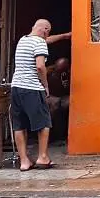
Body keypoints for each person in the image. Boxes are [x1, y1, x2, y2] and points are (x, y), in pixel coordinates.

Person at [9, 19, 71, 172]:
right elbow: (40, 66)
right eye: (47, 32)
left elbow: (45, 40)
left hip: (16, 87)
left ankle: (24, 161)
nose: (47, 36)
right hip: (32, 88)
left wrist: (64, 36)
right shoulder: (39, 43)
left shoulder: (23, 40)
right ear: (44, 30)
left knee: (19, 125)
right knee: (44, 123)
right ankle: (43, 157)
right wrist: (45, 85)